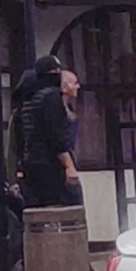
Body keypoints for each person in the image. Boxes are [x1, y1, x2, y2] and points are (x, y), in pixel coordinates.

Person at [15, 56, 78, 208]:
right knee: (62, 208)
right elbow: (56, 135)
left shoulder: (30, 98)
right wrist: (69, 166)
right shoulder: (51, 96)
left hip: (32, 163)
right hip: (49, 165)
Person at [60, 70, 83, 205]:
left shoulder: (68, 108)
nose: (77, 86)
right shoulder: (59, 111)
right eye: (74, 83)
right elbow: (60, 141)